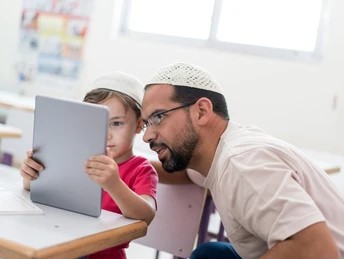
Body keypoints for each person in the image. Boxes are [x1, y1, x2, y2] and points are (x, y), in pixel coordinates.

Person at [141, 62, 344, 259]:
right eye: (146, 124)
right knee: (209, 254)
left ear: (201, 111)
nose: (147, 136)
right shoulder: (216, 153)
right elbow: (186, 173)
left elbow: (317, 249)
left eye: (158, 117)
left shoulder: (243, 164)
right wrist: (127, 168)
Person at [20, 71, 158, 259]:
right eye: (98, 123)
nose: (106, 134)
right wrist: (31, 177)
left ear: (139, 125)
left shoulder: (141, 168)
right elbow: (42, 192)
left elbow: (147, 215)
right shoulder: (75, 157)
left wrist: (114, 184)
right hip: (64, 245)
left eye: (116, 123)